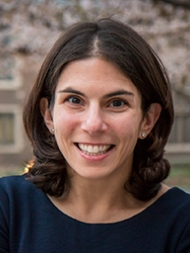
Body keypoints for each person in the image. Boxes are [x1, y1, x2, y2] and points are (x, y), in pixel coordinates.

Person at [0, 18, 190, 253]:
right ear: (48, 115)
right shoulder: (6, 207)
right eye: (74, 100)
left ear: (148, 119)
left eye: (117, 103)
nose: (93, 124)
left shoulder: (182, 223)